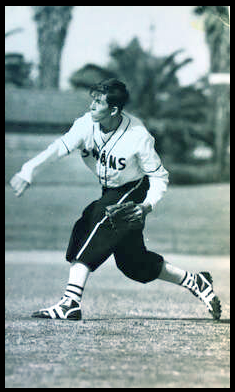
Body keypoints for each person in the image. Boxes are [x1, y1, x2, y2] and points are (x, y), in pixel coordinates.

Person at [10, 78, 221, 321]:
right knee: (133, 263)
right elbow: (58, 148)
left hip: (135, 190)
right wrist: (28, 171)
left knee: (94, 220)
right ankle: (197, 281)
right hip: (110, 191)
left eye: (98, 102)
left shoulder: (138, 135)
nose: (92, 106)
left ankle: (70, 302)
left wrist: (147, 205)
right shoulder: (85, 124)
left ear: (114, 110)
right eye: (93, 99)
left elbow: (159, 177)